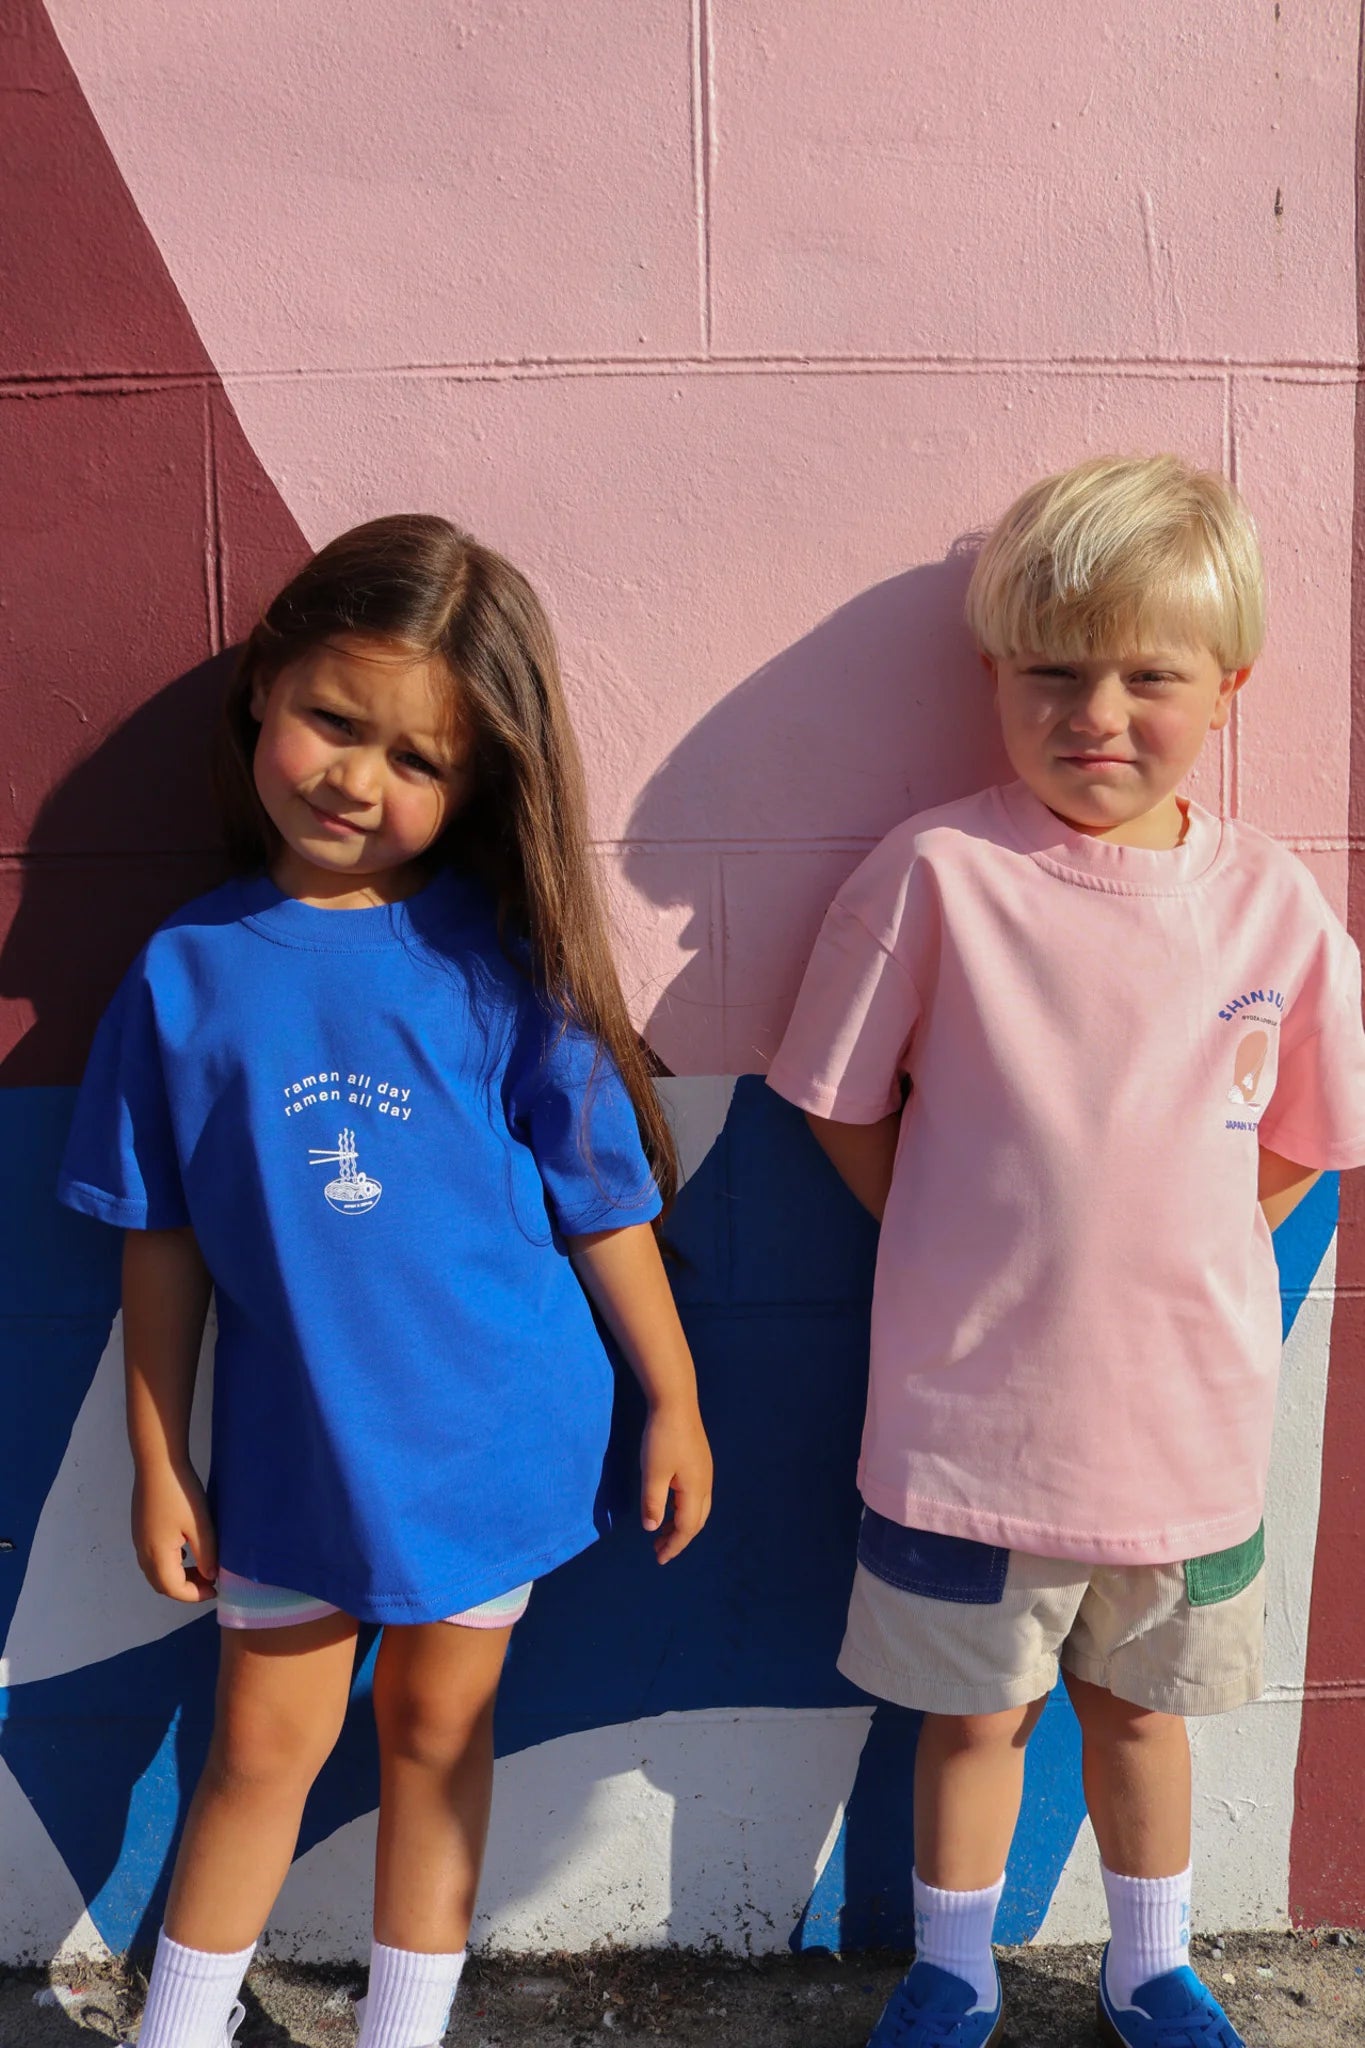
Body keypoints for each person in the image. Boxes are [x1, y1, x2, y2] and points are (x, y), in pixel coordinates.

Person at [58, 516, 713, 2048]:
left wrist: (670, 1397)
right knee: (257, 1753)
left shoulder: (502, 963)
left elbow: (601, 1207)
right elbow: (156, 1236)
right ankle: (179, 2025)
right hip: (292, 1460)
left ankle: (403, 2030)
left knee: (436, 1734)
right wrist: (159, 1459)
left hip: (494, 1437)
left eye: (416, 760)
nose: (355, 778)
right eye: (334, 721)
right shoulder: (185, 973)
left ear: (479, 785)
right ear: (265, 693)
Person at [766, 456, 1365, 2048]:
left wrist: (1194, 1241)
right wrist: (950, 1223)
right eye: (1051, 671)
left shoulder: (1274, 908)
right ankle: (949, 1969)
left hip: (1182, 1435)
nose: (1095, 712)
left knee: (1142, 1719)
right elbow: (834, 1100)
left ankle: (1144, 1964)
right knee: (973, 1719)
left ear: (1226, 687)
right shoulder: (935, 877)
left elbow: (1310, 1131)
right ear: (994, 679)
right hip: (972, 1431)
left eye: (1148, 675)